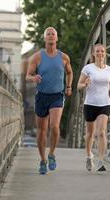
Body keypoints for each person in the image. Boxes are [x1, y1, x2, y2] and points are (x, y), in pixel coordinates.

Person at [26, 27, 73, 174]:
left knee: (54, 126)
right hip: (42, 96)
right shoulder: (37, 57)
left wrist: (69, 86)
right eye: (48, 34)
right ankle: (43, 160)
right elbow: (27, 75)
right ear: (45, 38)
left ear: (56, 38)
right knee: (41, 132)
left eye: (53, 34)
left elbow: (70, 72)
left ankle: (52, 153)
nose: (51, 36)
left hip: (57, 96)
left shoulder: (64, 57)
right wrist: (34, 78)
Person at [77, 44, 110, 172]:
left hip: (105, 103)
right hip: (90, 104)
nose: (100, 53)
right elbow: (78, 85)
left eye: (102, 51)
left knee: (102, 132)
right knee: (90, 133)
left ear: (105, 53)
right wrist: (84, 84)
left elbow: (109, 83)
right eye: (97, 51)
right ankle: (89, 156)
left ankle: (100, 161)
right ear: (93, 54)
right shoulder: (88, 68)